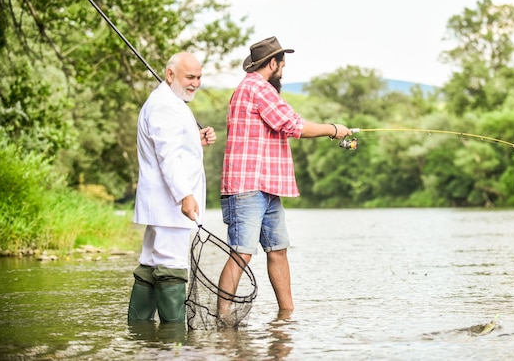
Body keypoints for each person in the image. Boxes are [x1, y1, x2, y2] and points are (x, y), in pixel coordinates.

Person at [217, 36, 351, 314]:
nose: (282, 71)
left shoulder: (253, 89)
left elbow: (286, 122)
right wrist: (334, 129)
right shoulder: (258, 88)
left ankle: (287, 315)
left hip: (265, 187)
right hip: (247, 187)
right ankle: (222, 316)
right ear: (271, 63)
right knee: (241, 252)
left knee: (278, 249)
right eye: (281, 65)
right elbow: (293, 125)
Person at [128, 52, 217, 323]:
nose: (196, 82)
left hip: (162, 205)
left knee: (151, 263)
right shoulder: (165, 105)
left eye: (199, 77)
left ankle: (140, 334)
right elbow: (168, 156)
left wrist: (195, 138)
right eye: (190, 77)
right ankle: (174, 340)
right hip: (170, 205)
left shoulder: (168, 101)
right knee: (172, 266)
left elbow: (171, 145)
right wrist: (185, 196)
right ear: (170, 75)